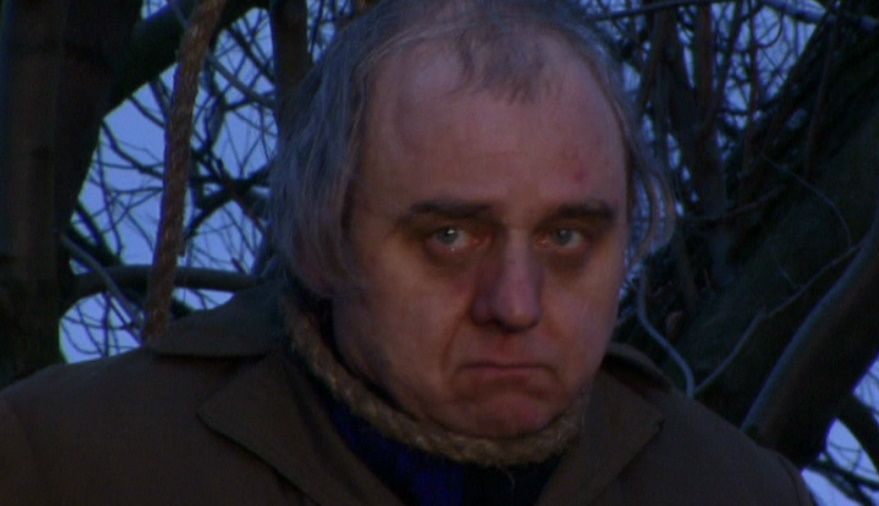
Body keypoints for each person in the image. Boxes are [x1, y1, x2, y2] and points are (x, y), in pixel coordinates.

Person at [1, 0, 813, 504]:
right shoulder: (67, 466)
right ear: (321, 239)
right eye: (450, 238)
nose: (516, 304)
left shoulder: (734, 493)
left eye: (567, 238)